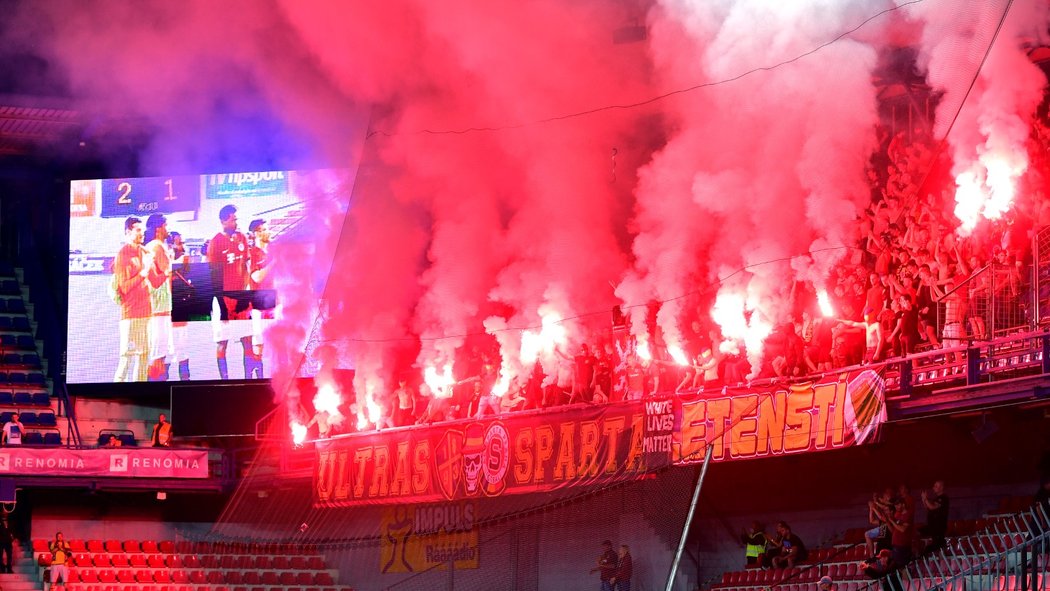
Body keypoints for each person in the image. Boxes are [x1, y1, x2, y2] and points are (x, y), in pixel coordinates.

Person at [208, 204, 253, 379]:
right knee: (222, 342)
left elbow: (246, 266)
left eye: (236, 219)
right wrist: (221, 305)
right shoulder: (216, 242)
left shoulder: (242, 238)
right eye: (233, 219)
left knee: (247, 340)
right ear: (223, 221)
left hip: (241, 298)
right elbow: (213, 276)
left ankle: (248, 379)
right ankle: (224, 380)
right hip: (224, 300)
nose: (236, 222)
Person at [112, 216, 155, 382]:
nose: (142, 233)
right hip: (131, 315)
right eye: (138, 230)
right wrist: (144, 272)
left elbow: (156, 280)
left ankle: (140, 389)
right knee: (126, 358)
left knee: (144, 356)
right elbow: (125, 287)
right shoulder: (123, 255)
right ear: (127, 232)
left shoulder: (145, 252)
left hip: (146, 313)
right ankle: (116, 394)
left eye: (142, 230)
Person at [144, 214, 174, 381]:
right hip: (160, 308)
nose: (168, 229)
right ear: (159, 228)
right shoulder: (157, 246)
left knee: (159, 355)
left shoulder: (152, 246)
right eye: (166, 225)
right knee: (158, 357)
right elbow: (169, 276)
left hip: (157, 308)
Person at [247, 218, 275, 379]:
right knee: (259, 342)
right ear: (257, 233)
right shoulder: (252, 253)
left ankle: (270, 378)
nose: (268, 231)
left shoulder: (271, 251)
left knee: (273, 339)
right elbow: (256, 277)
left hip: (272, 298)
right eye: (264, 229)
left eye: (267, 228)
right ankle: (257, 378)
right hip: (258, 300)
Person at [920, 480, 949, 554]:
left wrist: (926, 499)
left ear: (941, 487)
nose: (933, 488)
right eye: (934, 486)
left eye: (936, 486)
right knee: (918, 532)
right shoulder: (935, 498)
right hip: (932, 527)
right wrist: (924, 499)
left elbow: (932, 507)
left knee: (937, 545)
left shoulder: (943, 498)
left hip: (938, 527)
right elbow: (928, 508)